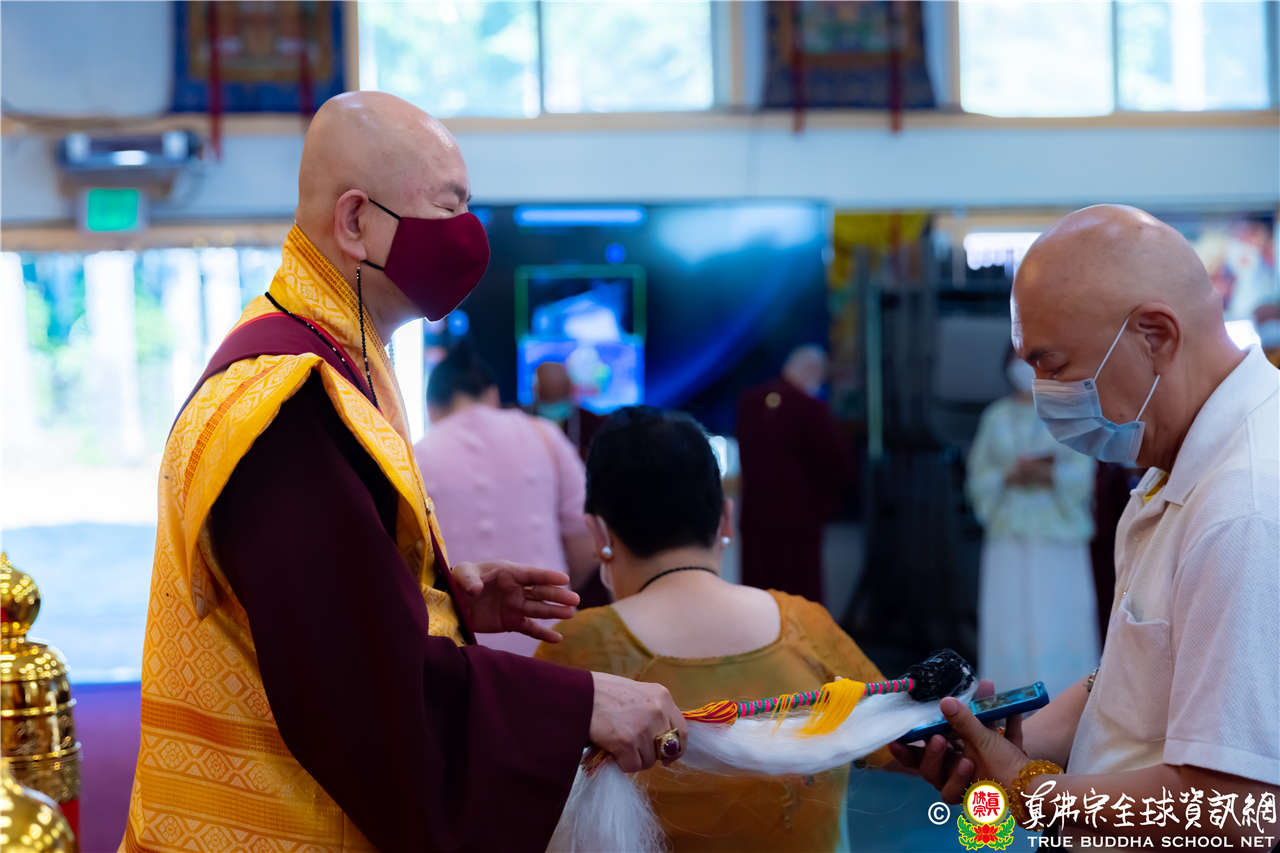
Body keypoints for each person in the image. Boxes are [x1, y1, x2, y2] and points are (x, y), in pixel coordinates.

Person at [123, 91, 686, 853]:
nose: (469, 235)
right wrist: (577, 702)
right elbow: (360, 689)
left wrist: (430, 595)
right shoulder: (289, 405)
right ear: (356, 221)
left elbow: (317, 609)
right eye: (449, 207)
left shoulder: (332, 355)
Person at [895, 205, 1279, 844]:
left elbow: (1240, 811)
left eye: (1054, 366)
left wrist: (1031, 792)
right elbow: (1138, 684)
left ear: (1155, 335)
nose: (1043, 394)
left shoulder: (1244, 510)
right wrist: (990, 745)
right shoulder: (1175, 465)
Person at [536, 406, 892, 852]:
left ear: (599, 533)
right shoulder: (806, 625)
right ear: (725, 519)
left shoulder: (574, 648)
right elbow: (898, 742)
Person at [414, 341, 597, 655]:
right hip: (550, 634)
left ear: (431, 406)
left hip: (461, 645)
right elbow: (585, 536)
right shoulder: (545, 435)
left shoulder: (416, 456)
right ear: (493, 394)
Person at [966, 346, 1097, 697]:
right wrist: (1009, 476)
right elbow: (979, 476)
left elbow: (1084, 473)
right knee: (1009, 618)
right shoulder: (996, 417)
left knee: (1058, 616)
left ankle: (1068, 702)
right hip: (1008, 533)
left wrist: (1048, 474)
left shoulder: (1070, 413)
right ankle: (1009, 701)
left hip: (1059, 535)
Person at [736, 345, 853, 604]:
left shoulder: (749, 402)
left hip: (756, 519)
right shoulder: (811, 409)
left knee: (760, 598)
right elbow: (837, 464)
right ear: (813, 372)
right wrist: (826, 507)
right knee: (798, 602)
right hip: (799, 523)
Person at [532, 360, 604, 461]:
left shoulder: (589, 422)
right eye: (548, 381)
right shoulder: (522, 420)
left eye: (557, 381)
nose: (553, 385)